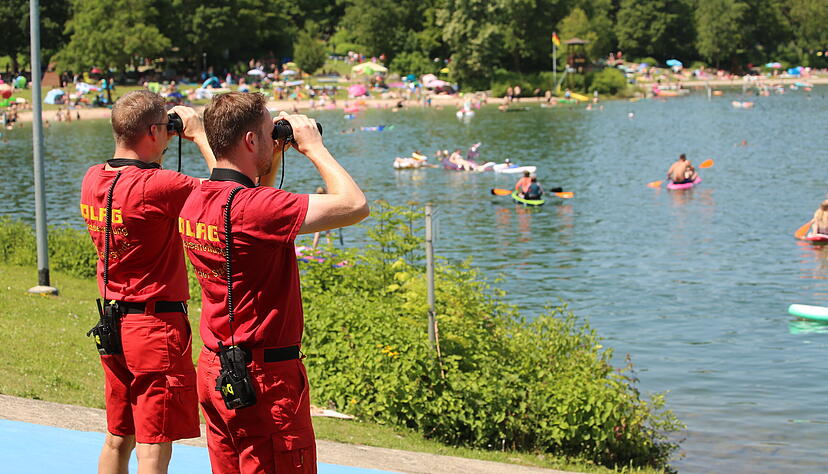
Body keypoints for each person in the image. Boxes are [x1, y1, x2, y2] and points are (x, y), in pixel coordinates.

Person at [179, 92, 368, 473]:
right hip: (266, 381)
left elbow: (249, 194)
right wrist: (314, 147)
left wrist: (273, 152)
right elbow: (354, 205)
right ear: (250, 141)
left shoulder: (196, 198)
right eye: (268, 132)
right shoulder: (255, 210)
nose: (274, 136)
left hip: (217, 367)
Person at [79, 90, 216, 474]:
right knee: (154, 443)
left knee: (117, 435)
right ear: (155, 131)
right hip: (154, 327)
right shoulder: (159, 186)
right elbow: (229, 193)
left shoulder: (93, 178)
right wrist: (198, 134)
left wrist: (161, 137)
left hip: (112, 322)